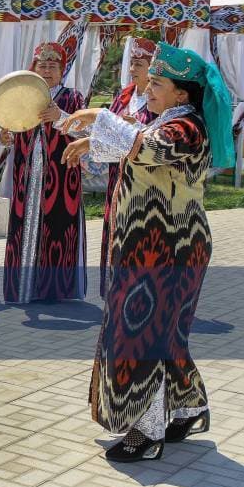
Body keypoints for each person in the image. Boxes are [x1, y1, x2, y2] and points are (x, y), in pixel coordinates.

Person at [59, 42, 232, 463]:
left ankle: (148, 431)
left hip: (171, 247)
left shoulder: (186, 127)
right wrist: (90, 137)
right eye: (150, 80)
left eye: (157, 83)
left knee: (142, 332)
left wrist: (95, 119)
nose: (148, 88)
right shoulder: (163, 119)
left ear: (182, 93)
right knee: (166, 333)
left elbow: (148, 146)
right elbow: (131, 138)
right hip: (152, 247)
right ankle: (189, 407)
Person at [0, 41, 86, 304]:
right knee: (23, 226)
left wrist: (60, 117)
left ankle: (53, 290)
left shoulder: (73, 98)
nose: (47, 70)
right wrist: (6, 136)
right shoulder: (24, 95)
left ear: (62, 70)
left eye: (53, 65)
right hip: (26, 174)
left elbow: (85, 131)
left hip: (60, 175)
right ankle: (23, 286)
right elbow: (13, 129)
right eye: (42, 65)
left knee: (58, 227)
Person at [98, 37, 157, 297]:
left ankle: (140, 290)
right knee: (116, 227)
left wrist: (137, 128)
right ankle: (115, 289)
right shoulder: (123, 97)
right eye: (132, 64)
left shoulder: (159, 102)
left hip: (145, 183)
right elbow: (104, 130)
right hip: (119, 177)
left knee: (140, 232)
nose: (133, 70)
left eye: (139, 64)